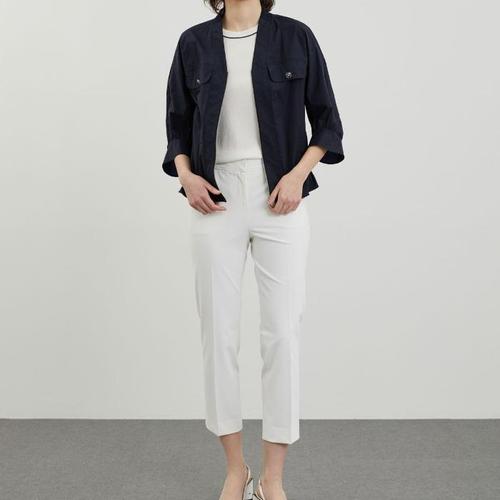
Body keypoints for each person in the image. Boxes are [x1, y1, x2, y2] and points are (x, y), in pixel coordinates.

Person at [162, 0, 344, 498]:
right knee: (218, 334)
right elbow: (177, 126)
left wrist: (297, 176)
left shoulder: (295, 37)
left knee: (282, 334)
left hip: (279, 195)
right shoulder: (193, 43)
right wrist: (187, 177)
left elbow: (328, 121)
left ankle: (273, 478)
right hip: (214, 198)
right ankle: (234, 469)